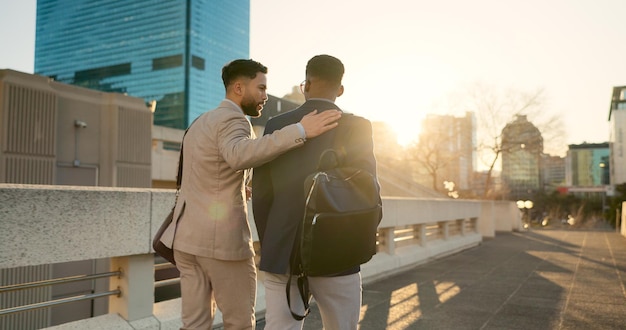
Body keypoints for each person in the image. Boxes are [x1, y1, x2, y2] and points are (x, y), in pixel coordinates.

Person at [159, 59, 341, 329]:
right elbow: (237, 155)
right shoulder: (234, 120)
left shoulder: (201, 121)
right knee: (240, 323)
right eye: (261, 88)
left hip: (185, 241)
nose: (265, 97)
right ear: (239, 88)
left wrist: (238, 186)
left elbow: (204, 170)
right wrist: (300, 130)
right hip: (220, 245)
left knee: (194, 324)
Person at [252, 54, 381, 329]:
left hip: (283, 251)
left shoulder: (277, 125)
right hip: (338, 250)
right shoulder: (358, 127)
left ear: (306, 84)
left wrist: (271, 241)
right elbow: (368, 189)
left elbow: (262, 195)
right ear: (341, 89)